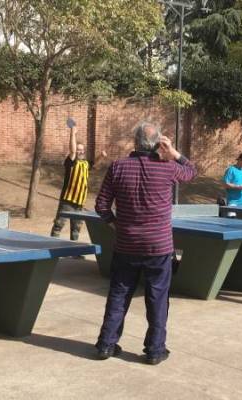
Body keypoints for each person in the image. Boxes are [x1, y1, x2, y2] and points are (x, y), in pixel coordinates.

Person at [94, 122, 196, 365]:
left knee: (119, 295)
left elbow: (101, 206)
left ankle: (106, 344)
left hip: (126, 245)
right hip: (158, 247)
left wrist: (116, 225)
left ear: (135, 141)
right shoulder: (168, 167)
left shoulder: (118, 167)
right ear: (158, 143)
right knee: (157, 298)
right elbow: (192, 171)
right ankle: (154, 350)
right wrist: (174, 153)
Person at [51, 117, 97, 242]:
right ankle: (52, 246)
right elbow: (72, 150)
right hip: (67, 201)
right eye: (78, 150)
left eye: (82, 150)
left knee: (76, 228)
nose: (80, 152)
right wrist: (73, 133)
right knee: (58, 225)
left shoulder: (86, 164)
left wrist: (101, 156)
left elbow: (94, 163)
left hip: (80, 203)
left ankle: (76, 253)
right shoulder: (70, 162)